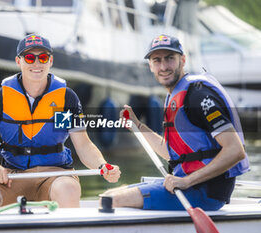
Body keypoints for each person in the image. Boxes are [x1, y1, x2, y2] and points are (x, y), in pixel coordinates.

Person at [0, 34, 121, 209]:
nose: (36, 64)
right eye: (30, 58)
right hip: (13, 176)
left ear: (51, 61)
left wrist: (103, 165)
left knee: (68, 189)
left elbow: (83, 145)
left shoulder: (65, 98)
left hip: (55, 176)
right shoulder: (0, 97)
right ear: (18, 61)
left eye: (43, 57)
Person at [101, 35, 249, 211]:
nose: (163, 67)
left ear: (183, 60)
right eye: (157, 60)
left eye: (170, 58)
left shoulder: (198, 97)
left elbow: (235, 150)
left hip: (205, 192)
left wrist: (186, 181)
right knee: (108, 195)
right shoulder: (174, 96)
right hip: (187, 186)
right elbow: (171, 153)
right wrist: (137, 125)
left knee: (111, 201)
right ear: (150, 66)